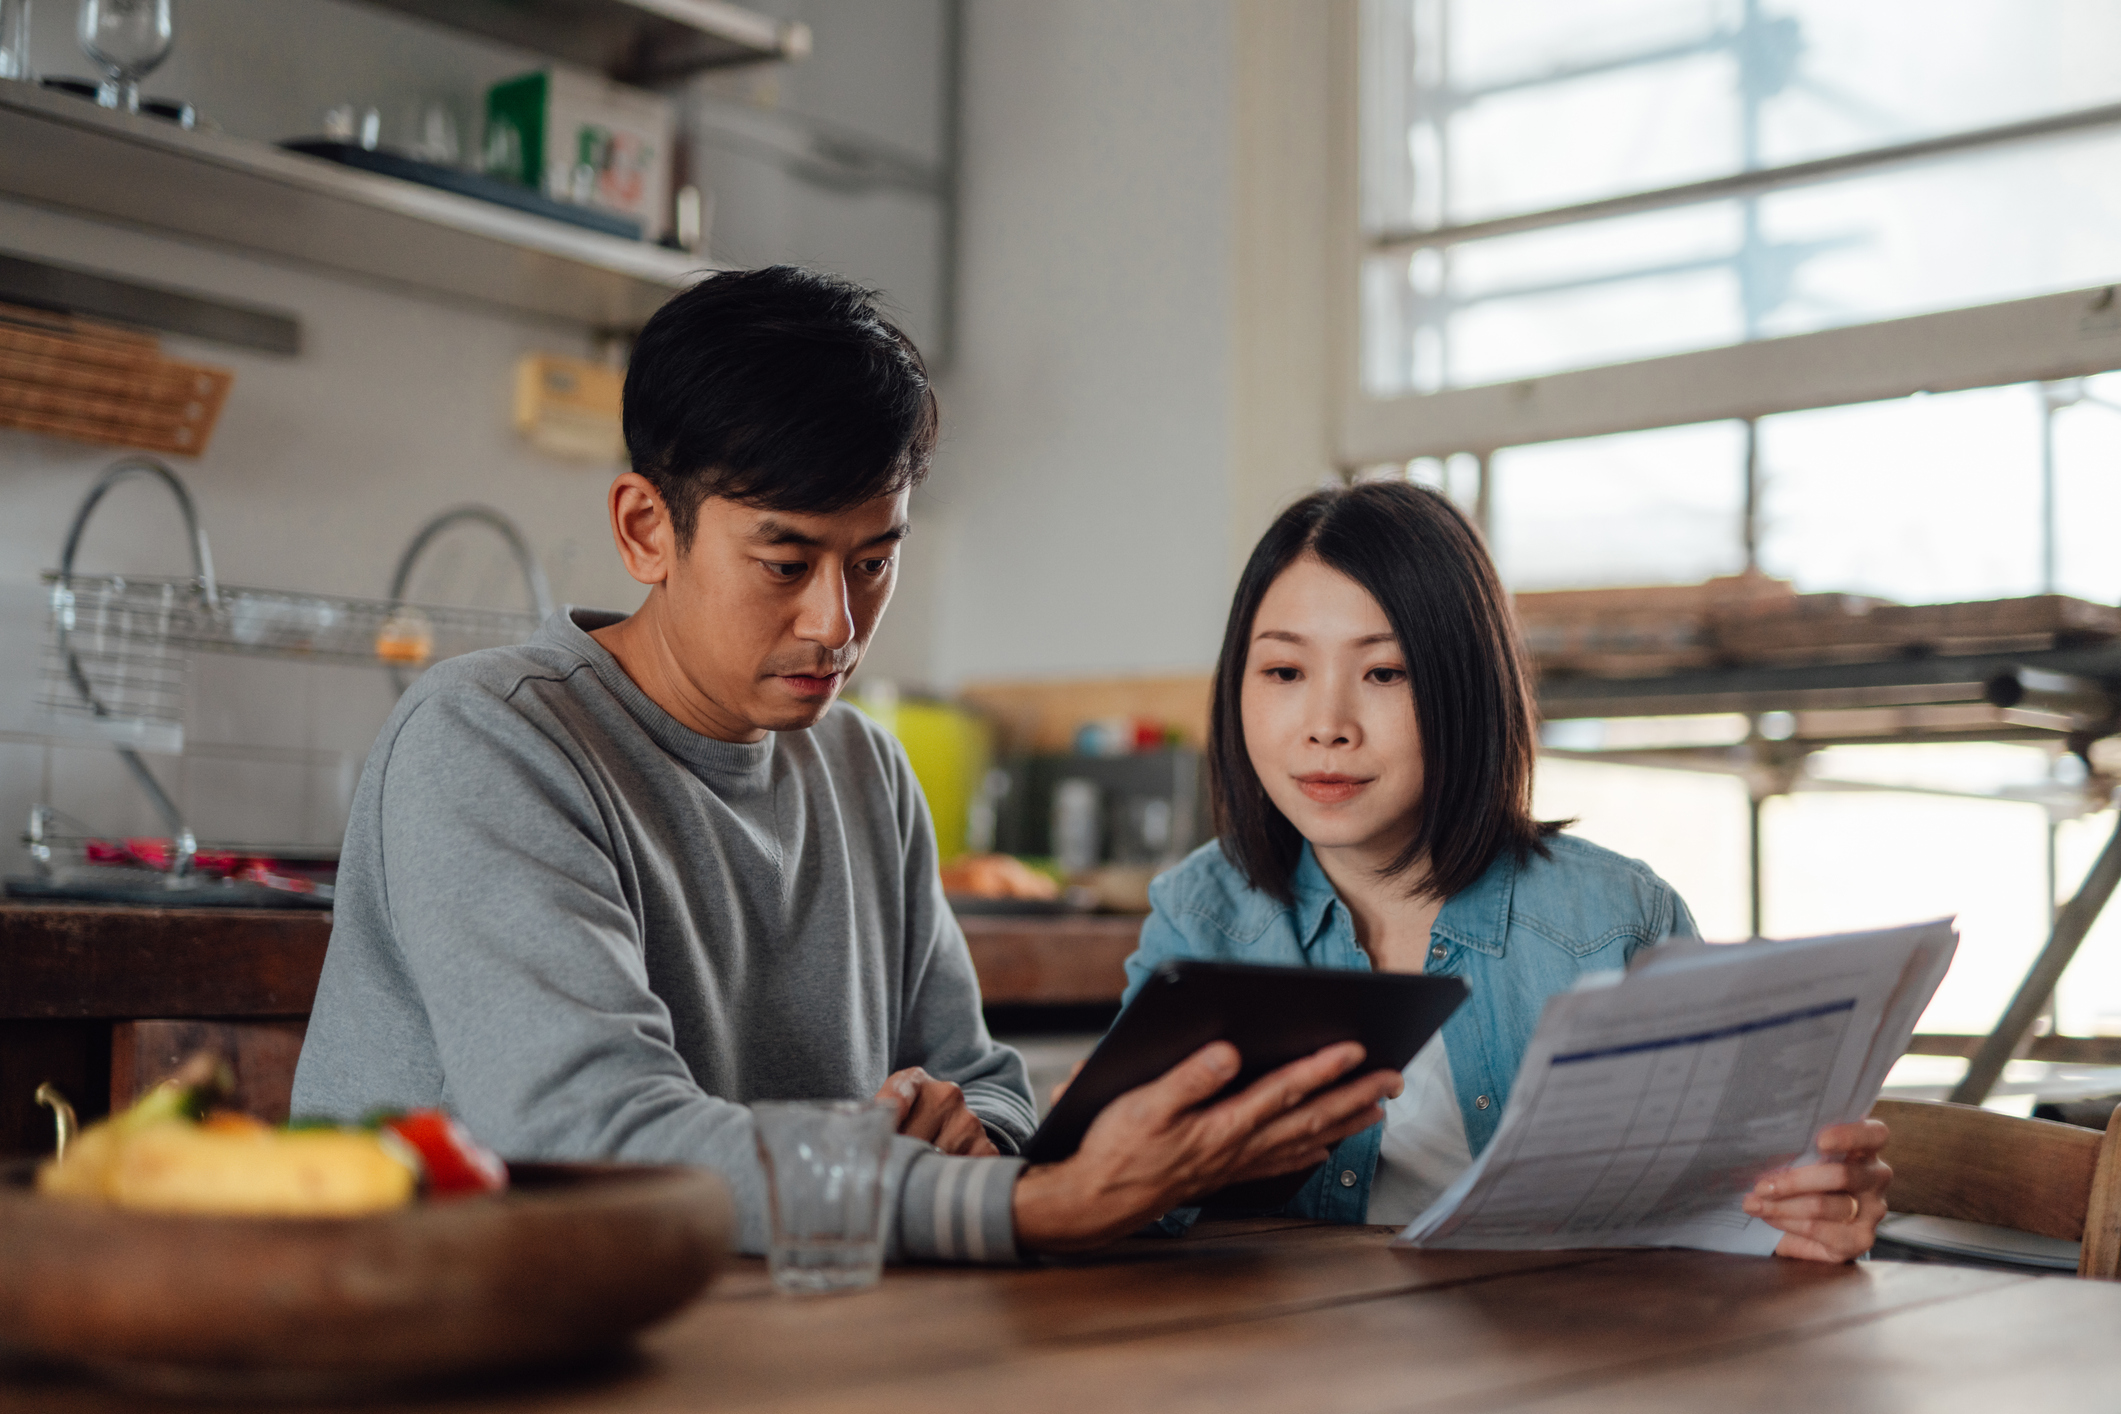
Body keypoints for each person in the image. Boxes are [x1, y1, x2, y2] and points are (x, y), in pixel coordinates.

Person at [292, 266, 1404, 1262]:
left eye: (875, 561)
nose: (837, 622)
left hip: (763, 1334)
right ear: (645, 529)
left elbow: (983, 1078)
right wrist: (1029, 1204)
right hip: (467, 1332)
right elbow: (595, 1135)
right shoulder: (488, 740)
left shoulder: (864, 767)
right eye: (786, 560)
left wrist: (978, 1131)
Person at [1121, 481, 1890, 1262]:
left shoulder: (1615, 923)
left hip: (1560, 1357)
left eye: (1385, 673)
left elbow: (1726, 1209)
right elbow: (1126, 1204)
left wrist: (1801, 1220)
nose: (1327, 727)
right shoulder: (1199, 915)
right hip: (1278, 1364)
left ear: (1467, 687)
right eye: (1284, 672)